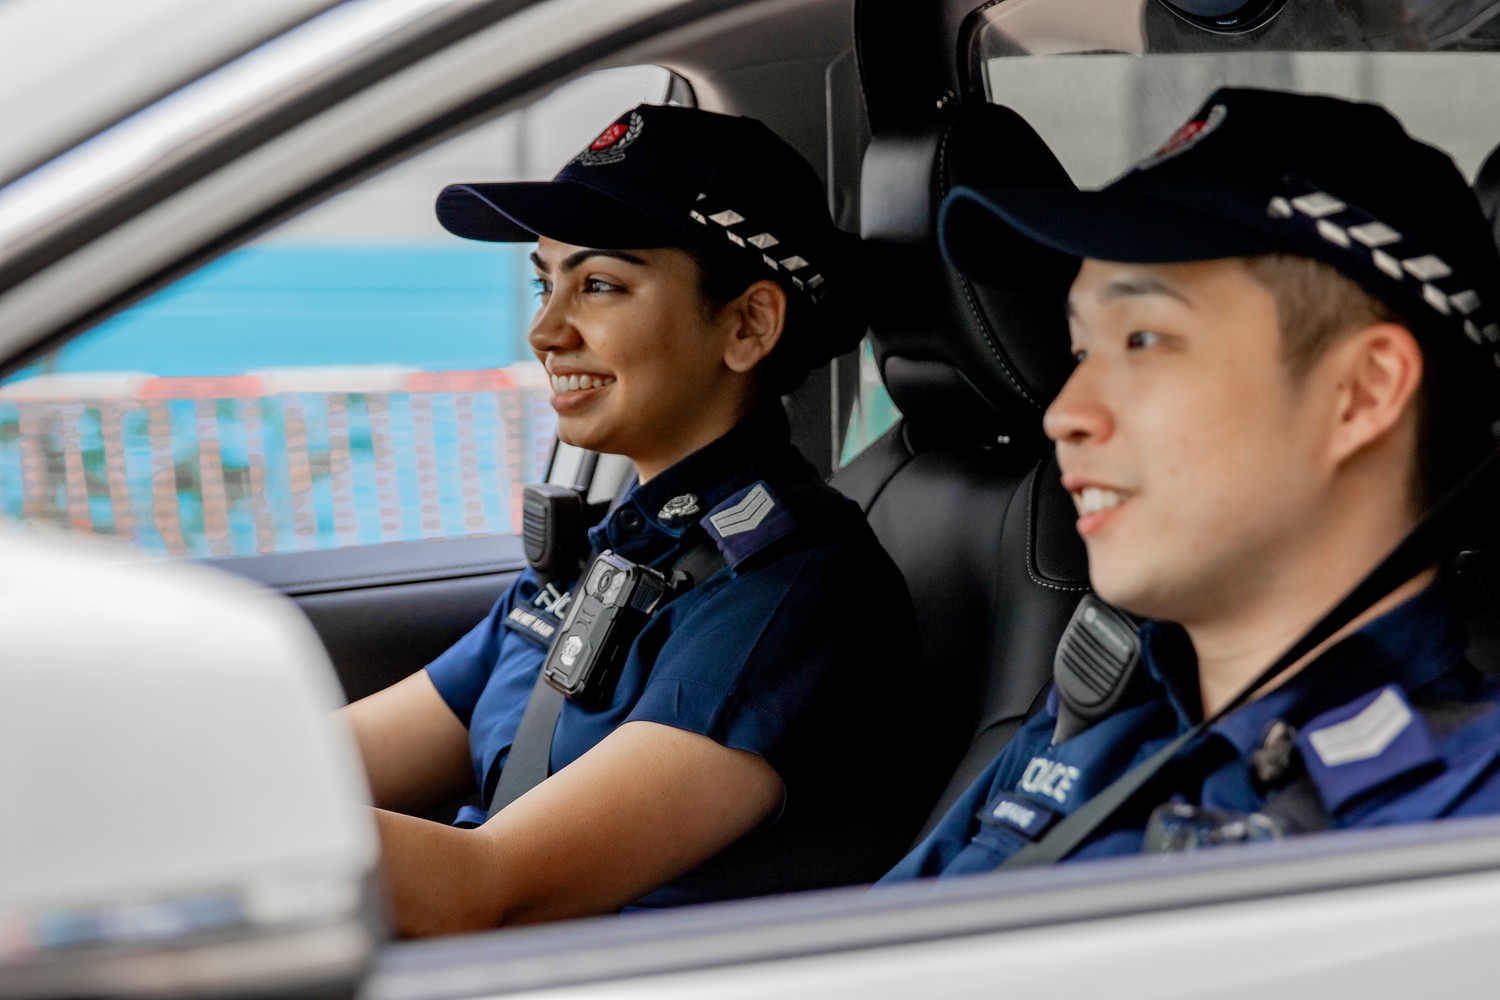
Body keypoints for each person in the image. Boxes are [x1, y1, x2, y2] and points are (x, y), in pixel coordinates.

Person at [342, 103, 945, 935]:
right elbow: (331, 762)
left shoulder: (787, 589)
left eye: (598, 285)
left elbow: (490, 887)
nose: (545, 330)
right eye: (543, 282)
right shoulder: (621, 545)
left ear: (748, 324)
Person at [882, 86, 1500, 880]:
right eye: (1079, 353)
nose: (1065, 414)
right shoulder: (1089, 715)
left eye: (1143, 339)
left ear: (1364, 392)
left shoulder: (1464, 827)